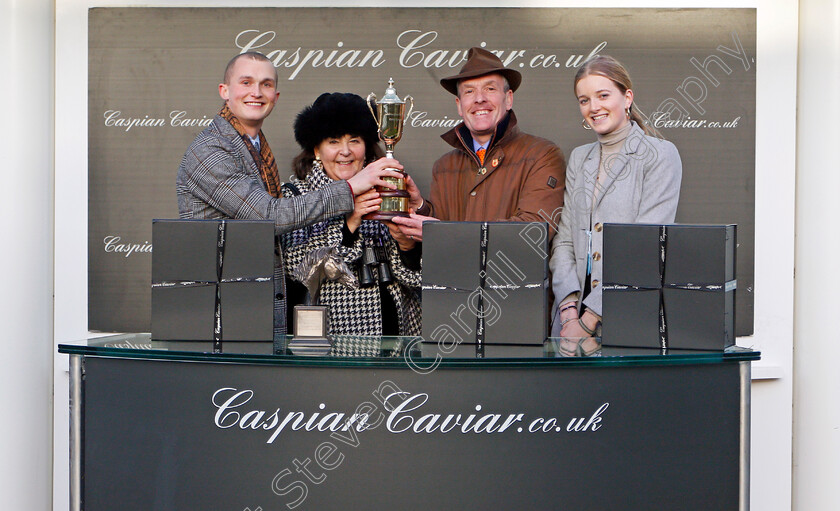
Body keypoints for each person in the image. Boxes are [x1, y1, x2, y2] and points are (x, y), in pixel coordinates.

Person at [176, 52, 403, 339]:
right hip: (221, 315)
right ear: (225, 91)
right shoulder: (210, 151)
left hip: (254, 312)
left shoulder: (254, 149)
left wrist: (416, 212)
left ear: (276, 95)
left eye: (266, 84)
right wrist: (350, 192)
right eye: (246, 82)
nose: (256, 92)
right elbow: (270, 215)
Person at [549, 55, 682, 339]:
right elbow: (565, 241)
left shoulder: (660, 154)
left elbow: (643, 246)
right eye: (584, 100)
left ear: (627, 97)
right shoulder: (578, 158)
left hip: (626, 322)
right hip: (567, 328)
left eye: (603, 95)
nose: (593, 107)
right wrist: (568, 310)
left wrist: (590, 318)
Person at [282, 92, 422, 336]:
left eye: (354, 140)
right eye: (334, 141)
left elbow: (416, 280)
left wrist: (407, 246)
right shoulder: (296, 196)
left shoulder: (387, 190)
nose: (345, 151)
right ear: (317, 149)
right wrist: (350, 224)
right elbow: (299, 272)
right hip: (336, 339)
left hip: (399, 338)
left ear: (366, 147)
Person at [391, 46, 565, 241]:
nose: (480, 99)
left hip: (509, 273)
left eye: (490, 89)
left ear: (508, 99)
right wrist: (419, 208)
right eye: (469, 91)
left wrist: (443, 232)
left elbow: (533, 232)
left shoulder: (542, 154)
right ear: (459, 105)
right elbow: (439, 241)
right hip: (455, 273)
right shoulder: (444, 167)